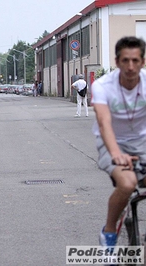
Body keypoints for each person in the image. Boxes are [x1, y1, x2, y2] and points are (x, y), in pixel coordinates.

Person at [92, 36, 146, 248]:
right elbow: (104, 123)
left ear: (142, 62)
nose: (130, 66)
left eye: (135, 61)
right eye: (125, 60)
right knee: (127, 183)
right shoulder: (103, 86)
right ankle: (109, 232)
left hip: (142, 141)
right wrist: (116, 153)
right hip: (111, 142)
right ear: (117, 62)